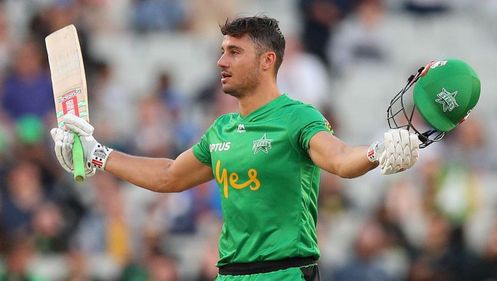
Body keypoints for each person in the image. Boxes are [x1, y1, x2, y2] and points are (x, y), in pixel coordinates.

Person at [50, 16, 419, 281]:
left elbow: (339, 159)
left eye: (234, 52)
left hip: (285, 273)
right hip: (229, 274)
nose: (221, 61)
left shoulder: (298, 117)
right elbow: (168, 176)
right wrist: (98, 153)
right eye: (222, 51)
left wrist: (376, 153)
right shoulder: (222, 129)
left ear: (267, 60)